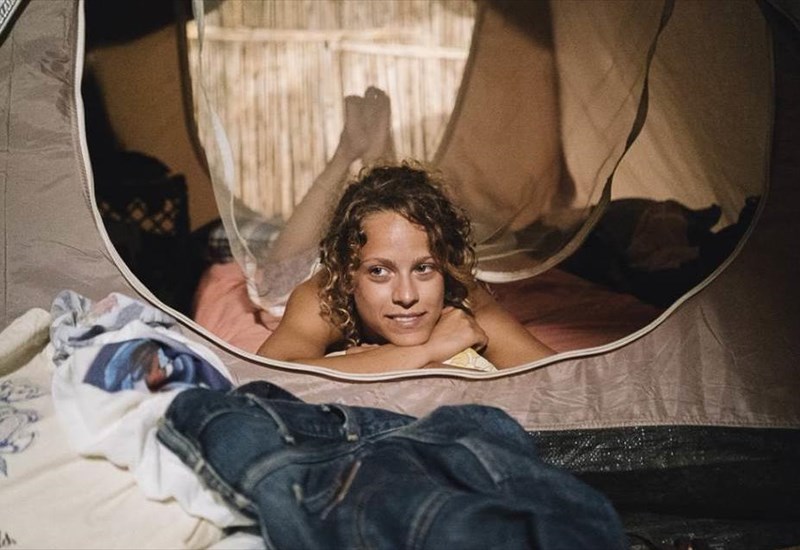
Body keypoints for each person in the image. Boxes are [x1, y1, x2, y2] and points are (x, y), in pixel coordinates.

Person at [257, 160, 555, 373]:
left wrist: (378, 361)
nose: (407, 295)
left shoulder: (461, 293)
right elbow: (267, 378)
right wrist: (427, 350)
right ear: (349, 276)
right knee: (273, 276)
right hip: (297, 271)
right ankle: (350, 150)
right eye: (379, 272)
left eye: (423, 269)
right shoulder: (323, 297)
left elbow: (560, 381)